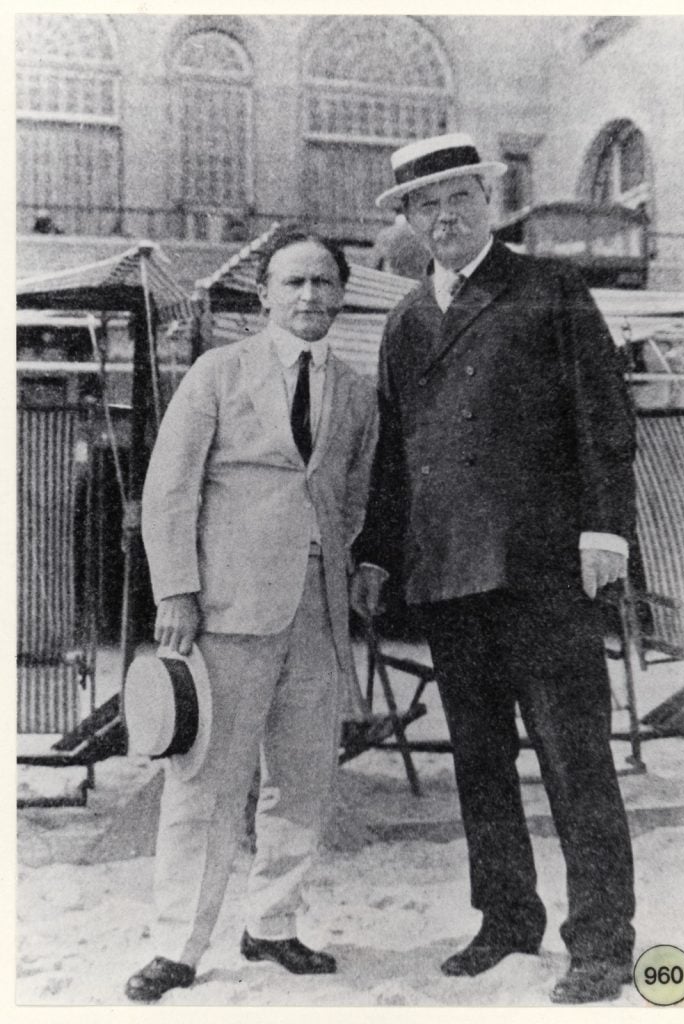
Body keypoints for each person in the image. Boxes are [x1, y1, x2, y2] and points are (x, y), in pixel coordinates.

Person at [351, 133, 637, 1004]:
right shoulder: (405, 321)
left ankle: (603, 941)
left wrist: (604, 533)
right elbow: (397, 457)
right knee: (478, 762)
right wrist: (374, 553)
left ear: (487, 199)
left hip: (542, 571)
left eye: (458, 199)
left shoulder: (549, 288)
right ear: (406, 220)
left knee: (572, 758)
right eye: (425, 206)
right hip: (448, 578)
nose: (444, 217)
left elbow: (605, 419)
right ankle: (508, 917)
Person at [125, 226, 378, 1001]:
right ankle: (177, 944)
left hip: (318, 612)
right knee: (206, 783)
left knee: (301, 781)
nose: (310, 297)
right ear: (264, 294)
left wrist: (354, 566)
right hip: (227, 612)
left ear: (342, 295)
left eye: (323, 284)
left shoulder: (360, 391)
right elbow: (170, 488)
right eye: (294, 283)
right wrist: (176, 590)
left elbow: (354, 495)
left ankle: (272, 924)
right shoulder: (217, 372)